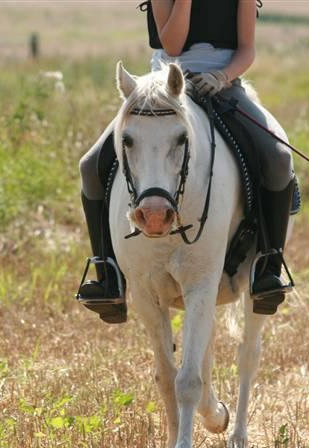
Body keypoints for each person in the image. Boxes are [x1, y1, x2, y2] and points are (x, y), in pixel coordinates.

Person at [77, 0, 295, 323]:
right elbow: (173, 45)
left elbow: (247, 50)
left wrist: (222, 76)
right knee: (90, 166)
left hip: (222, 86)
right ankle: (108, 274)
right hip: (164, 92)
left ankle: (268, 267)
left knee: (278, 159)